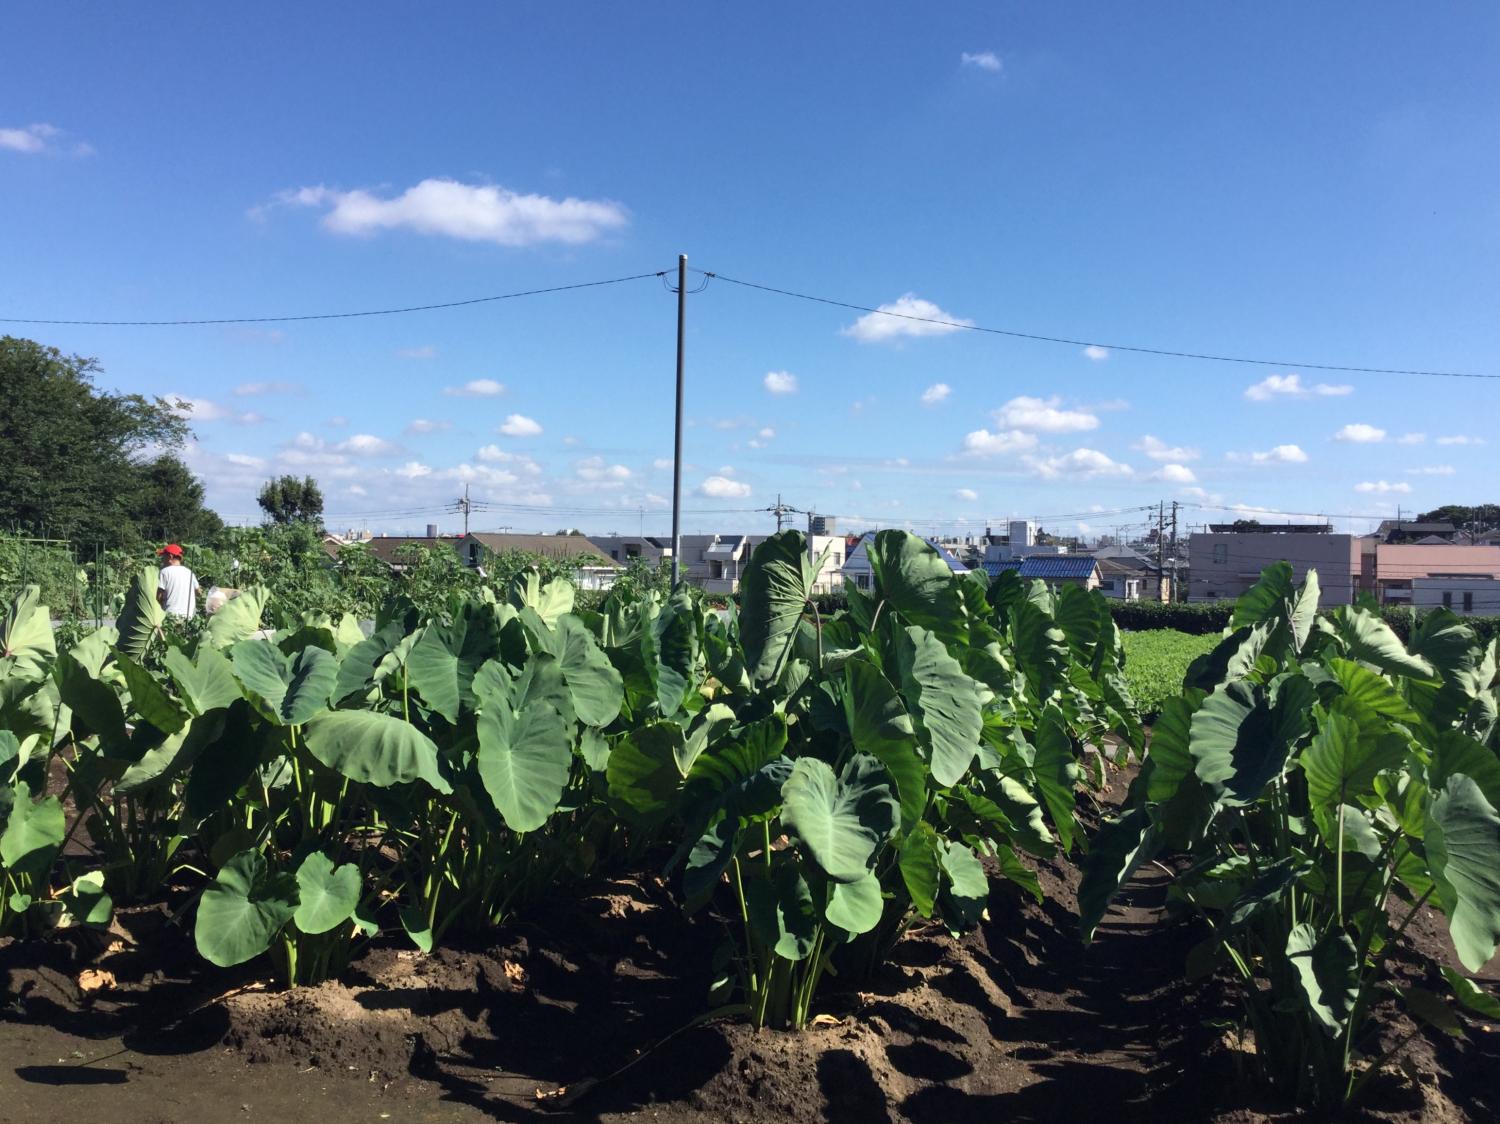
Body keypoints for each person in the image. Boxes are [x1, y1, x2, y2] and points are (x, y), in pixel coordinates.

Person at [156, 544, 199, 617]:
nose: (162, 559)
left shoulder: (164, 572)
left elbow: (158, 597)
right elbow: (198, 592)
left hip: (170, 616)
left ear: (170, 556)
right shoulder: (189, 572)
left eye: (164, 556)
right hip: (189, 616)